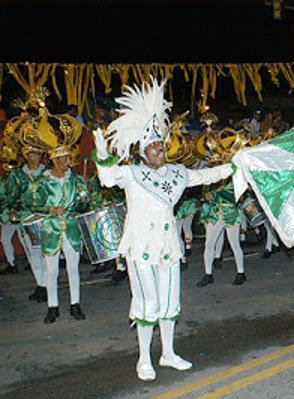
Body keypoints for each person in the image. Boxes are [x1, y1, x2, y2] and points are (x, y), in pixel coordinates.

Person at [93, 78, 233, 381]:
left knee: (170, 302)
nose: (161, 149)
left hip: (168, 245)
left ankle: (167, 353)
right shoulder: (131, 173)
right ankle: (144, 358)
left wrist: (235, 166)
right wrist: (102, 155)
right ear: (143, 152)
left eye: (161, 145)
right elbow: (106, 178)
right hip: (140, 245)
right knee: (148, 303)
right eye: (155, 146)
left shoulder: (177, 173)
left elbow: (206, 176)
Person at [25, 135, 89, 323]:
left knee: (73, 269)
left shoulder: (75, 179)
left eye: (69, 157)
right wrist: (50, 209)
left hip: (71, 229)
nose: (69, 161)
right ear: (55, 159)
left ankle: (75, 304)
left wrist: (83, 197)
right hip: (51, 230)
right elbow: (32, 204)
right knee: (51, 271)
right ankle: (52, 307)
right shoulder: (43, 182)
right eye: (66, 158)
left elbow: (84, 204)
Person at [3, 146, 47, 300]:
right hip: (25, 218)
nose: (32, 157)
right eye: (29, 153)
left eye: (35, 153)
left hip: (44, 218)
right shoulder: (18, 174)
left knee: (45, 253)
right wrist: (12, 209)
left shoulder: (46, 173)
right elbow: (11, 195)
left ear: (41, 154)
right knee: (32, 252)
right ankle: (40, 284)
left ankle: (48, 285)